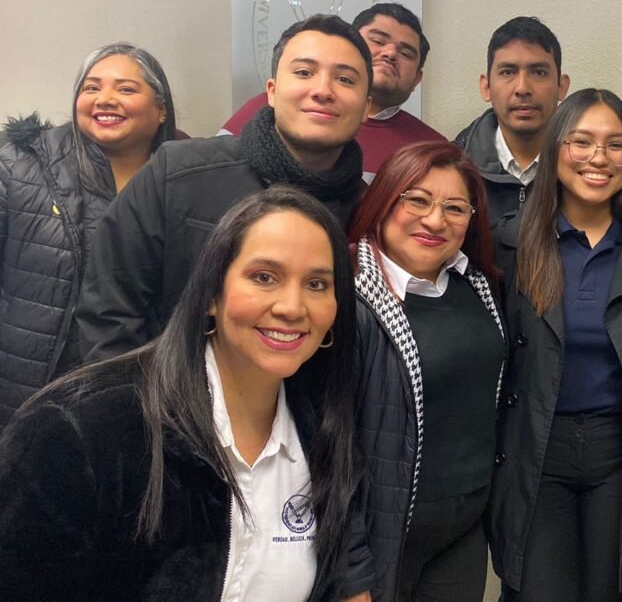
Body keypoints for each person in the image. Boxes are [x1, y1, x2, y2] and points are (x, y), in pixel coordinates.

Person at [0, 186, 373, 601]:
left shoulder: (321, 434)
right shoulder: (81, 428)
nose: (292, 307)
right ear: (212, 293)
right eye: (264, 277)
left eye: (317, 284)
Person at [78, 14, 371, 362]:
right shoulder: (179, 174)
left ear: (366, 106)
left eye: (345, 79)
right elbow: (108, 312)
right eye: (304, 72)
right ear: (272, 91)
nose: (323, 90)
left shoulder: (371, 213)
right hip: (165, 391)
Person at [489, 89, 622, 602]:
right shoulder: (512, 241)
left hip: (619, 453)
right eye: (581, 141)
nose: (598, 158)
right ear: (556, 148)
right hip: (537, 448)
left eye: (616, 145)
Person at [346, 141, 505, 602]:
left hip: (462, 530)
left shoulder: (477, 285)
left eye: (455, 208)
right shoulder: (347, 296)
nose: (435, 221)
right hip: (382, 533)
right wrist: (349, 569)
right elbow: (326, 450)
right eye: (417, 200)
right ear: (384, 200)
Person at [0, 42, 177, 427]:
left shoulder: (188, 181)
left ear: (161, 109)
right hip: (23, 397)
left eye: (125, 89)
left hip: (144, 398)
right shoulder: (19, 167)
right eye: (91, 87)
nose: (105, 99)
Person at [220, 3, 445, 181]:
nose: (390, 54)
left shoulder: (432, 148)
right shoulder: (264, 109)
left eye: (406, 53)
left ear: (417, 79)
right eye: (377, 40)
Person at [454, 16, 570, 223]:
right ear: (486, 87)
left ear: (561, 87)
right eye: (508, 72)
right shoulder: (453, 165)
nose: (523, 88)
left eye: (539, 72)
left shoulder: (585, 167)